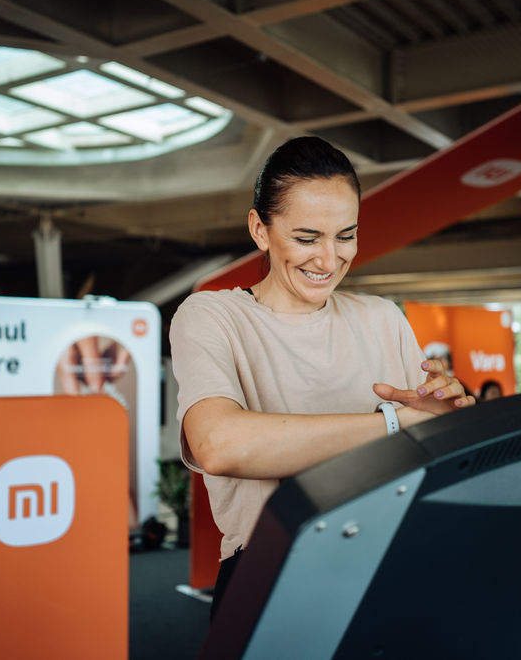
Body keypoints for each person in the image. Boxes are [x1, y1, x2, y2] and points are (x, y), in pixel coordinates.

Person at [169, 136, 476, 619]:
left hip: (388, 561)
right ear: (260, 229)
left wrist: (450, 421)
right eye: (307, 239)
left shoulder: (382, 318)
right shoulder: (212, 316)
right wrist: (394, 424)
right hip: (273, 572)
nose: (329, 261)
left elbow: (432, 456)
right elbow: (219, 445)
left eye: (345, 236)